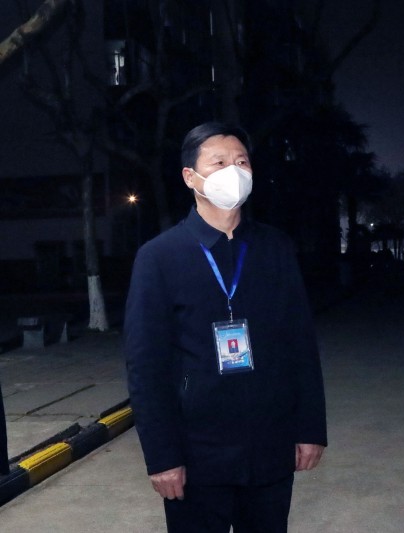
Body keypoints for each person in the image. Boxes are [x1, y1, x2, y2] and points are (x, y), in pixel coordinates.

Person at [124, 122, 327, 532]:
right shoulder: (159, 257)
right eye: (218, 163)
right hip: (197, 455)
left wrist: (310, 429)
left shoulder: (275, 248)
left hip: (270, 449)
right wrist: (162, 457)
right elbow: (146, 367)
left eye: (242, 162)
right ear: (190, 177)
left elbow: (301, 345)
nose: (233, 171)